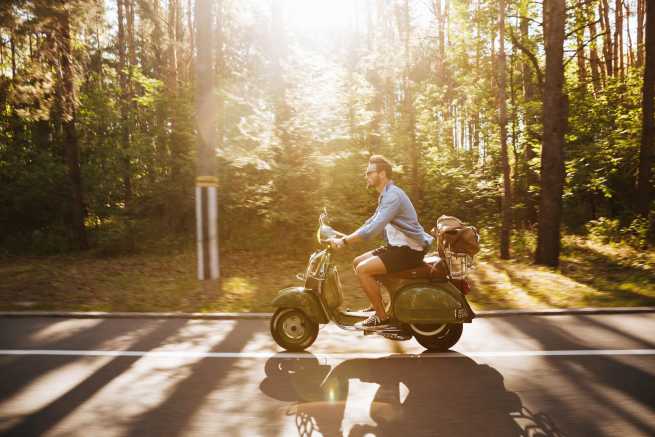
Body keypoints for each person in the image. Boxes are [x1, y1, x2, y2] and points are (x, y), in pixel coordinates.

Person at [328, 155, 433, 329]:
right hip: (397, 247)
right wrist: (344, 237)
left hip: (409, 250)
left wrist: (345, 242)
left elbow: (373, 229)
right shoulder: (386, 194)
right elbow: (370, 222)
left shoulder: (392, 196)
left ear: (382, 174)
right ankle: (379, 303)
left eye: (369, 172)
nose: (366, 175)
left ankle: (382, 318)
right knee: (357, 262)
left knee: (363, 271)